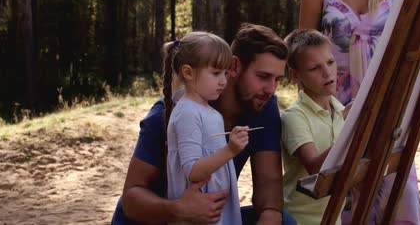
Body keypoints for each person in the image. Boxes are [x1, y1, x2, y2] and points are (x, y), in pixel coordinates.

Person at [298, 0, 420, 225]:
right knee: (344, 200)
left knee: (398, 193)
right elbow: (301, 53)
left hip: (387, 107)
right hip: (335, 108)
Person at [111, 23, 294, 225]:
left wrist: (270, 215)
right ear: (234, 66)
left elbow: (269, 180)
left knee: (283, 221)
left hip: (213, 218)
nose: (271, 89)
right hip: (157, 218)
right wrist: (179, 210)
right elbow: (131, 199)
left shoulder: (264, 105)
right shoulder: (172, 113)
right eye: (263, 77)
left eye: (277, 79)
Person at [163, 32, 249, 224]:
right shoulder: (188, 112)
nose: (223, 81)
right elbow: (193, 171)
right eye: (216, 73)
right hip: (199, 213)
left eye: (225, 73)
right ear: (188, 72)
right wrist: (231, 150)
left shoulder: (210, 112)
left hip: (215, 210)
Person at [281, 29, 347, 224]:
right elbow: (315, 167)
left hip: (334, 217)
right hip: (298, 219)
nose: (327, 72)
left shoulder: (340, 110)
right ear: (295, 75)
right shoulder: (295, 117)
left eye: (330, 62)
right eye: (314, 68)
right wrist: (353, 130)